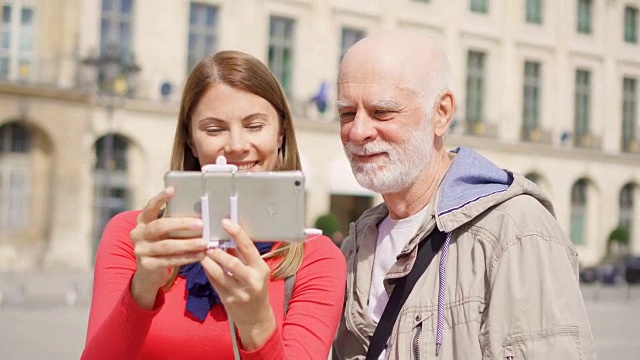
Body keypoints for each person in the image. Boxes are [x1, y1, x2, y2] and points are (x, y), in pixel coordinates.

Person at [331, 30, 596, 360]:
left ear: (441, 113)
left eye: (382, 112)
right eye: (346, 113)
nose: (357, 131)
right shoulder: (357, 245)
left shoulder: (515, 231)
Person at [82, 50, 346, 360]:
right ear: (191, 139)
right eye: (214, 129)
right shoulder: (134, 236)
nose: (236, 145)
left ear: (280, 132)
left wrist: (257, 323)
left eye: (254, 125)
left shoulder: (316, 259)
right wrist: (141, 288)